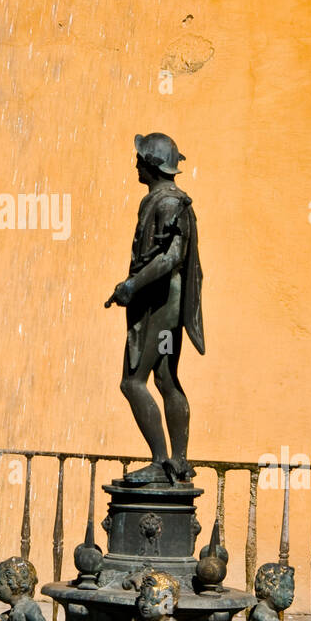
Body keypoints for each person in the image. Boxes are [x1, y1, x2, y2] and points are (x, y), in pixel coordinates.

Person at [106, 132, 204, 484]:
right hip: (164, 306)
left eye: (139, 159)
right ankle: (177, 463)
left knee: (132, 382)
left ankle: (162, 461)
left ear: (150, 163)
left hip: (159, 305)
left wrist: (132, 284)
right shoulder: (163, 201)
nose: (135, 164)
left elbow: (172, 256)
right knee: (164, 377)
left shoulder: (168, 203)